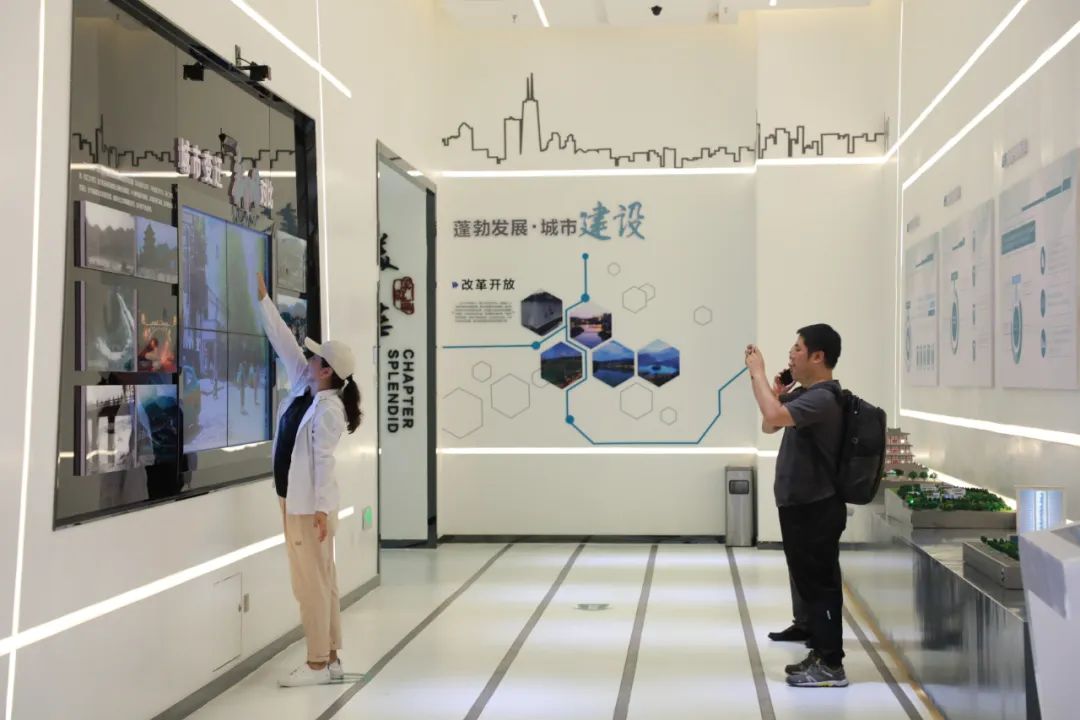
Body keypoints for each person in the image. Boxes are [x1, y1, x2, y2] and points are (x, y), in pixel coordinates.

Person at [256, 272, 363, 688]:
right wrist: (265, 301)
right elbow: (284, 342)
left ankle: (317, 662)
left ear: (326, 371)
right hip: (296, 503)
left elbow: (322, 463)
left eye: (316, 357)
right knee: (323, 582)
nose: (309, 358)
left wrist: (320, 510)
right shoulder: (308, 387)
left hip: (308, 509)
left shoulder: (329, 410)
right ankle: (331, 657)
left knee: (310, 587)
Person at [744, 324, 848, 688]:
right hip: (799, 505)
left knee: (820, 586)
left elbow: (773, 417)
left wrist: (757, 373)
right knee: (809, 583)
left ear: (818, 356)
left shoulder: (823, 399)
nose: (791, 353)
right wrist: (774, 393)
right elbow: (769, 424)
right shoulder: (806, 395)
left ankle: (832, 665)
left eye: (798, 348)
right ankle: (819, 652)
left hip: (815, 506)